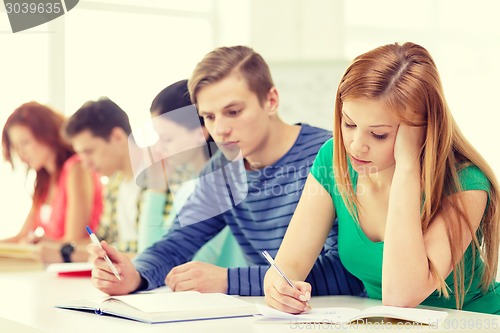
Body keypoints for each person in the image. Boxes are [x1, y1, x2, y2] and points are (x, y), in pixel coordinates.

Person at [88, 45, 365, 297]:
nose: (219, 130)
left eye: (233, 112)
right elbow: (177, 242)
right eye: (209, 117)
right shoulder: (222, 170)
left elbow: (349, 272)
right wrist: (134, 275)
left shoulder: (331, 157)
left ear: (271, 101)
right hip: (272, 317)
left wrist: (229, 281)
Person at [263, 42, 500, 314]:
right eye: (349, 124)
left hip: (478, 322)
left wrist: (407, 168)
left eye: (378, 134)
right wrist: (278, 288)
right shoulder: (334, 159)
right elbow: (287, 266)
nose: (355, 145)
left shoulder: (466, 183)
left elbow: (401, 296)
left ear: (422, 131)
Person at [137, 79, 247, 268]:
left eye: (167, 139)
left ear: (200, 133)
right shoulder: (191, 186)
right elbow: (151, 256)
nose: (158, 148)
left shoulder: (210, 187)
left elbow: (167, 266)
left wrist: (156, 188)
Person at [1, 101, 103, 263]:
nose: (21, 154)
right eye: (16, 147)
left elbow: (74, 240)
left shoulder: (77, 168)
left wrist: (46, 243)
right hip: (52, 271)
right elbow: (21, 236)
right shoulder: (44, 182)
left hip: (77, 268)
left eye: (25, 143)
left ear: (46, 133)